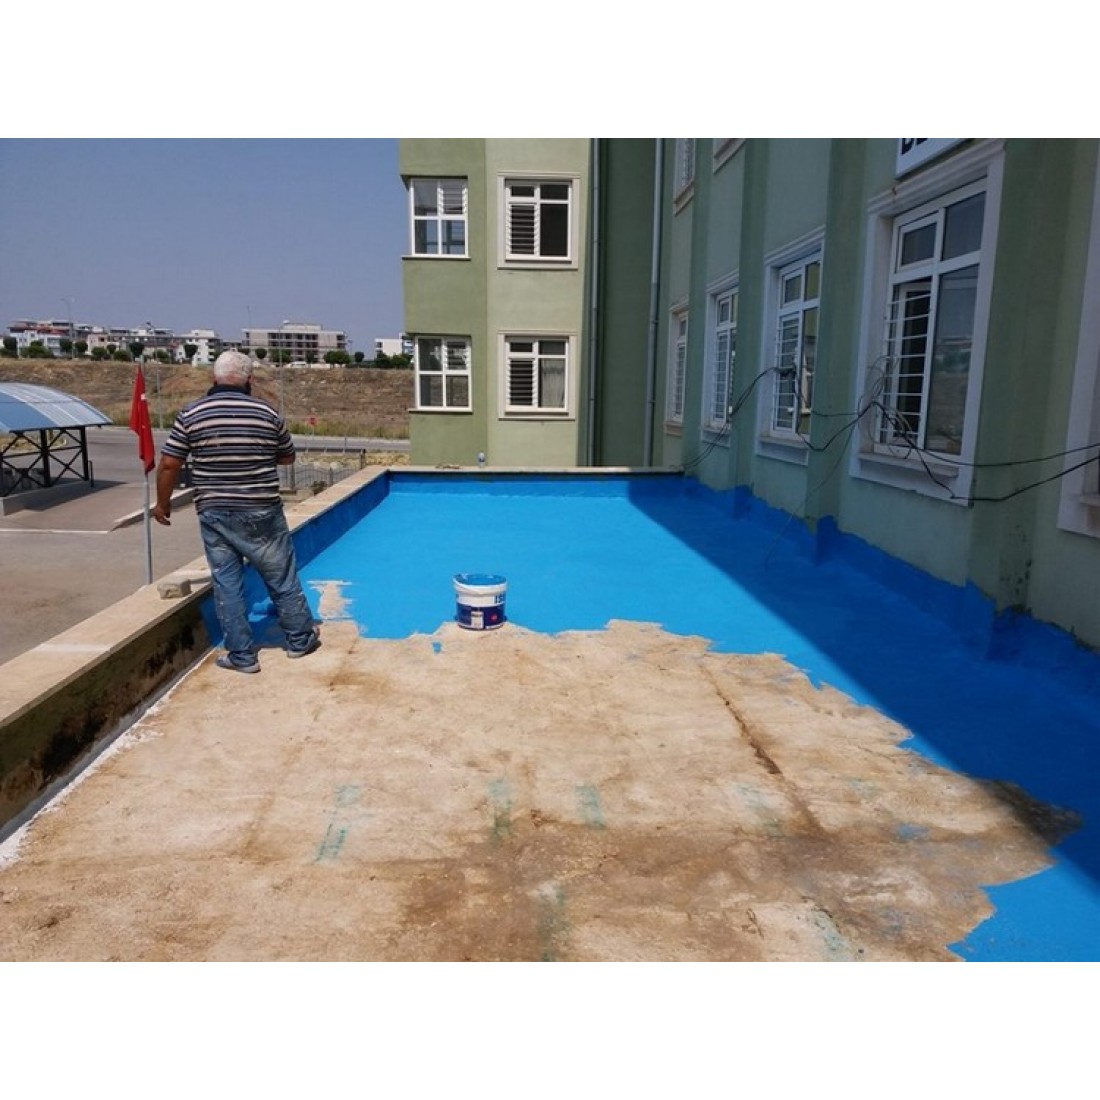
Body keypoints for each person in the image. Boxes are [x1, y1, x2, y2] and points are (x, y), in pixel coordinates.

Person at [153, 350, 321, 673]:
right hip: (262, 510)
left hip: (215, 511)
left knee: (227, 583)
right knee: (281, 576)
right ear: (249, 380)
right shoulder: (267, 413)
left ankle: (242, 656)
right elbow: (287, 457)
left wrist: (163, 504)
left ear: (214, 378)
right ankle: (300, 640)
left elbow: (170, 463)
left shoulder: (191, 414)